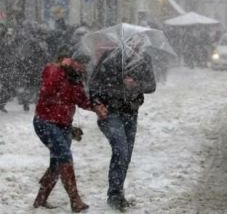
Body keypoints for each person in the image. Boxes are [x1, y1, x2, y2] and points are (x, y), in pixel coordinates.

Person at [89, 35, 156, 211]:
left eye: (139, 41)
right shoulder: (110, 57)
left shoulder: (144, 59)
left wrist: (135, 84)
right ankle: (114, 195)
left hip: (131, 112)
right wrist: (97, 102)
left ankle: (118, 192)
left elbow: (151, 85)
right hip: (111, 112)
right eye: (132, 40)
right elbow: (94, 83)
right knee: (121, 149)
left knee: (126, 154)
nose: (136, 44)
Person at [32, 52, 105, 212]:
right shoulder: (53, 69)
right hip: (46, 121)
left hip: (64, 125)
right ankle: (75, 200)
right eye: (79, 64)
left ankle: (40, 200)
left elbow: (81, 101)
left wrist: (95, 107)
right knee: (64, 157)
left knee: (57, 163)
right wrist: (62, 70)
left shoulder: (76, 80)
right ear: (70, 61)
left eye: (84, 66)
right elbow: (47, 89)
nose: (82, 68)